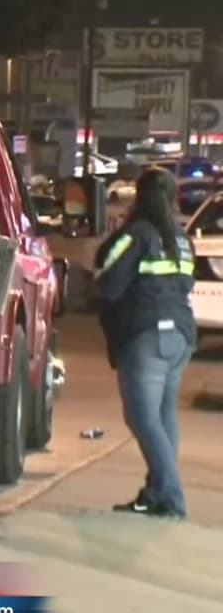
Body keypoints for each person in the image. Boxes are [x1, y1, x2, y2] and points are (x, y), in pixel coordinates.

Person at [93, 167, 196, 519]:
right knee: (163, 417)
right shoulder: (182, 239)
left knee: (142, 417)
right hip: (180, 336)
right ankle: (156, 496)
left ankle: (172, 499)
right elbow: (186, 284)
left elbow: (108, 283)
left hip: (146, 335)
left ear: (140, 196)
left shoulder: (135, 235)